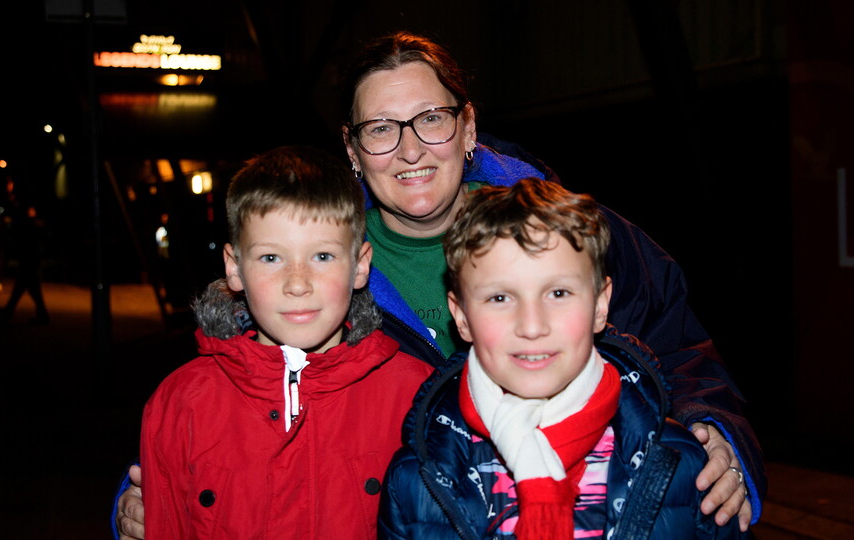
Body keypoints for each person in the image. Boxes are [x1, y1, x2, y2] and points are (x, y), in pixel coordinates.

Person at [114, 31, 762, 537]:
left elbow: (678, 340)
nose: (411, 148)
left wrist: (718, 433)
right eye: (381, 129)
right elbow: (238, 386)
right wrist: (148, 496)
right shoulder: (322, 257)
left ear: (468, 126)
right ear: (352, 147)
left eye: (432, 118)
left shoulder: (570, 231)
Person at [379, 178, 744, 539]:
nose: (532, 326)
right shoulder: (415, 482)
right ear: (461, 317)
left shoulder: (684, 464)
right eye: (500, 298)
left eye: (558, 292)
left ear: (601, 304)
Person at [138, 146, 433, 538]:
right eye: (271, 258)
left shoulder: (418, 397)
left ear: (360, 265)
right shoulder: (180, 403)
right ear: (234, 267)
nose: (297, 283)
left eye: (323, 256)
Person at [0, 205, 50, 325]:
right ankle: (9, 311)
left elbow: (30, 244)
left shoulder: (34, 225)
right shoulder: (33, 225)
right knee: (25, 290)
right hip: (30, 262)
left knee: (26, 290)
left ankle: (10, 312)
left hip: (30, 262)